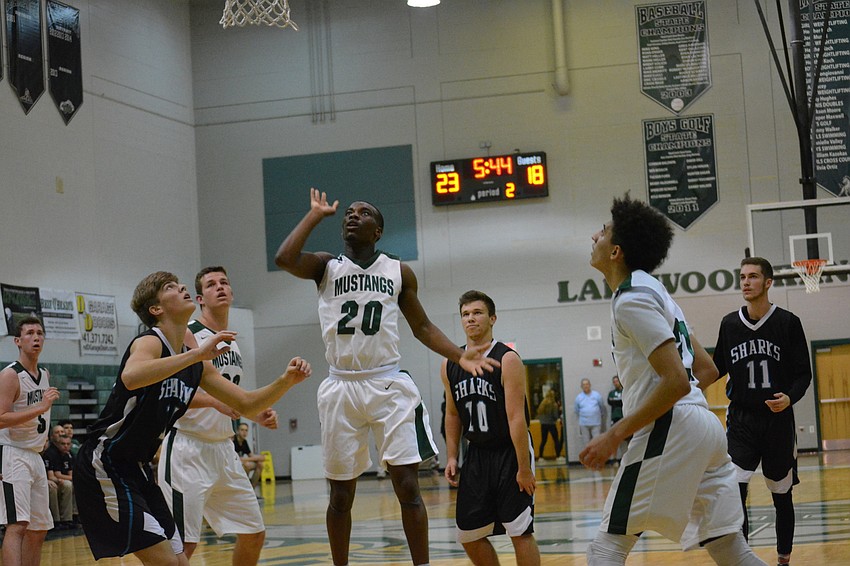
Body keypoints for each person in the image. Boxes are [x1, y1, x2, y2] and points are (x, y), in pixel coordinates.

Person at [275, 188, 497, 566]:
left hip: (387, 383)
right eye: (349, 211)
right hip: (341, 385)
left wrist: (459, 354)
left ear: (377, 231)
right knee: (340, 496)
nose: (352, 215)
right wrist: (313, 215)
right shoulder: (326, 267)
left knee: (407, 486)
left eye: (363, 213)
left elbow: (422, 326)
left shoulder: (397, 271)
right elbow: (284, 258)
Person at [73, 271, 311, 565]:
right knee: (170, 558)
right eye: (170, 287)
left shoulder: (196, 359)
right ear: (156, 309)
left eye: (179, 284)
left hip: (138, 467)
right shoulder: (151, 341)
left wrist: (286, 381)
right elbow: (131, 376)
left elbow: (245, 404)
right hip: (105, 460)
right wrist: (196, 356)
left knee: (179, 561)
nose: (182, 287)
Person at [581, 194, 766, 565]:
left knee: (606, 547)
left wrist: (614, 434)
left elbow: (677, 382)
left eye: (602, 232)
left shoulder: (631, 300)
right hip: (706, 428)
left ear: (616, 251)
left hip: (672, 426)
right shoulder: (655, 290)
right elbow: (706, 370)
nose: (594, 237)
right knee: (729, 548)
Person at [157, 266, 277, 565]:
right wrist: (215, 402)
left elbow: (229, 395)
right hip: (187, 449)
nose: (220, 287)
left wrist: (254, 413)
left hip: (223, 449)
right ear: (200, 299)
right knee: (184, 545)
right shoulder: (189, 334)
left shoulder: (231, 341)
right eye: (211, 285)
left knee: (253, 532)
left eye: (224, 282)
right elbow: (171, 391)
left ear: (232, 292)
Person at [712, 257, 812, 566]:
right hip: (741, 419)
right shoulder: (729, 324)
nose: (746, 282)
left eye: (753, 276)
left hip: (777, 421)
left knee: (781, 494)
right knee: (735, 490)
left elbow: (804, 374)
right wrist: (684, 379)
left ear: (768, 282)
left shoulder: (788, 322)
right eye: (742, 276)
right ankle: (741, 558)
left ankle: (783, 559)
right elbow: (716, 368)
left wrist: (790, 398)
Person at [442, 290, 540, 566]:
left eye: (477, 313)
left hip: (509, 451)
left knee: (520, 531)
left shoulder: (507, 359)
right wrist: (452, 456)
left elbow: (516, 418)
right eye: (465, 314)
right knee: (468, 534)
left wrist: (523, 467)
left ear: (492, 318)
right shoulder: (450, 363)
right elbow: (452, 414)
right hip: (476, 453)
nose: (470, 319)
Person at [0, 316, 60, 566]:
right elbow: (1, 418)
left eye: (40, 333)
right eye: (30, 333)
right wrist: (41, 407)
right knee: (17, 525)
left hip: (35, 456)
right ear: (17, 341)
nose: (36, 337)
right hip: (13, 454)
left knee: (38, 528)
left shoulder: (44, 373)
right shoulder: (10, 375)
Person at [43, 432, 75, 529]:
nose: (65, 446)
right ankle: (55, 520)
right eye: (63, 444)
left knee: (76, 484)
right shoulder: (51, 454)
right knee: (64, 485)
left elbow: (70, 473)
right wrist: (59, 479)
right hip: (48, 481)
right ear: (57, 444)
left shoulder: (67, 455)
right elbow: (54, 475)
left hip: (57, 479)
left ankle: (70, 518)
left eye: (68, 444)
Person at [574, 378, 605, 450]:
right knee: (586, 444)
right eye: (584, 385)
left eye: (587, 384)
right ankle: (588, 457)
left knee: (597, 443)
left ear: (590, 385)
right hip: (584, 424)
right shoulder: (578, 397)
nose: (585, 386)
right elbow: (576, 410)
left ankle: (597, 457)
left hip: (596, 423)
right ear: (581, 386)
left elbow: (602, 406)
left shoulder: (597, 395)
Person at [233, 421, 266, 487]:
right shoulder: (233, 441)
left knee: (260, 464)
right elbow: (236, 459)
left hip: (240, 463)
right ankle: (245, 487)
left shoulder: (244, 442)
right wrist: (247, 459)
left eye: (246, 430)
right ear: (237, 431)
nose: (244, 432)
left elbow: (251, 456)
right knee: (247, 465)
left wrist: (258, 458)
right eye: (242, 430)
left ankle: (252, 489)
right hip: (232, 465)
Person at [536, 389, 562, 461]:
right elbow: (555, 416)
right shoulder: (553, 404)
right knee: (556, 439)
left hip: (543, 424)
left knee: (543, 440)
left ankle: (540, 457)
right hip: (551, 424)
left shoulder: (542, 403)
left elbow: (539, 414)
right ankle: (558, 456)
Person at [607, 376, 626, 463]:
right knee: (615, 438)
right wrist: (619, 401)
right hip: (615, 418)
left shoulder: (625, 391)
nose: (615, 383)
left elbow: (623, 401)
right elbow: (610, 402)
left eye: (617, 381)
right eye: (614, 381)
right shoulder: (611, 393)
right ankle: (615, 459)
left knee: (627, 439)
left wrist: (617, 401)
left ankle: (625, 458)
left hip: (624, 417)